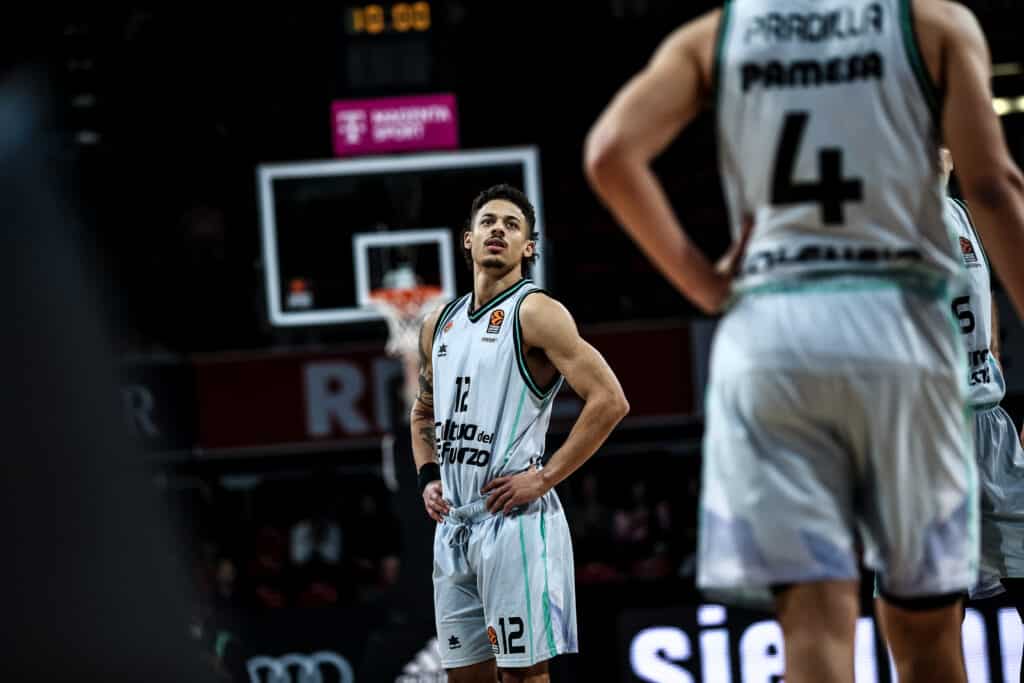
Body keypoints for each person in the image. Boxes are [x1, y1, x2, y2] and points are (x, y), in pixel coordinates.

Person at [584, 1, 1024, 682]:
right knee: (927, 637)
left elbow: (610, 154)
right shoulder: (931, 24)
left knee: (815, 633)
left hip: (773, 344)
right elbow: (994, 188)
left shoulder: (717, 34)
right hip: (898, 336)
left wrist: (704, 286)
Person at [409, 184, 629, 683]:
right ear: (467, 239)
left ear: (528, 247)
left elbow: (610, 400)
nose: (498, 231)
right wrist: (428, 476)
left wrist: (545, 477)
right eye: (489, 222)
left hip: (514, 521)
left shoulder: (536, 312)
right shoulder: (437, 325)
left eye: (512, 226)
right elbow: (422, 414)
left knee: (523, 677)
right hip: (454, 527)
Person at [942, 148, 1024, 679]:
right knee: (935, 633)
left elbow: (987, 296)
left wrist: (991, 361)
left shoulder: (962, 212)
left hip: (990, 428)